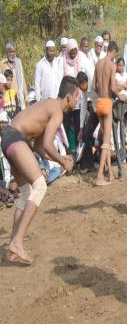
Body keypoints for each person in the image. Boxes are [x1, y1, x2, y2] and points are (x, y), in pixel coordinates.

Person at [1, 75, 78, 264]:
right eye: (77, 96)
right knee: (40, 187)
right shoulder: (57, 111)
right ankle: (17, 242)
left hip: (10, 139)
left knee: (25, 193)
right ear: (69, 96)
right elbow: (49, 145)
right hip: (15, 138)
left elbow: (40, 147)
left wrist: (60, 159)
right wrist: (63, 161)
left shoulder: (49, 105)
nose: (78, 100)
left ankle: (12, 248)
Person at [93, 41, 119, 186]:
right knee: (106, 142)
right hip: (107, 103)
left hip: (99, 102)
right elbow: (114, 88)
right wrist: (120, 96)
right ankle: (99, 176)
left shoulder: (98, 64)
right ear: (113, 51)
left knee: (106, 140)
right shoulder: (112, 65)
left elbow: (93, 86)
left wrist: (102, 93)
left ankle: (110, 173)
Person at [1, 42, 28, 110]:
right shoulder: (2, 64)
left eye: (14, 51)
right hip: (9, 101)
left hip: (20, 100)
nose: (13, 54)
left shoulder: (18, 62)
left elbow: (22, 81)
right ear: (7, 52)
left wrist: (26, 97)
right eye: (11, 52)